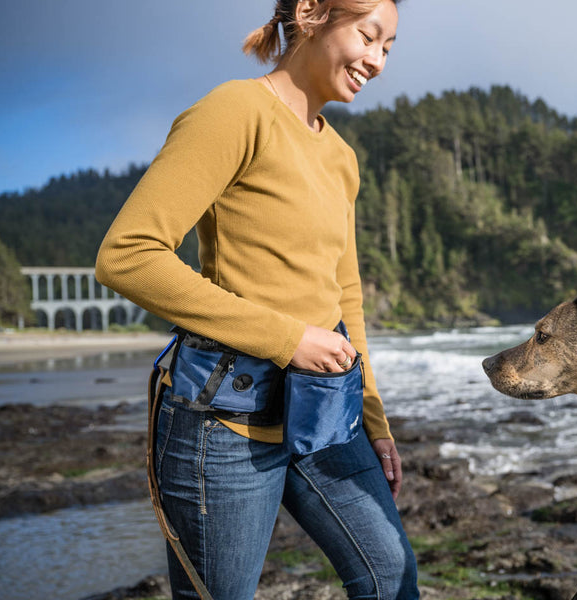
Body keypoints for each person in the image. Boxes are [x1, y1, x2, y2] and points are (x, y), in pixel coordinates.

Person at [95, 1, 418, 598]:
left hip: (327, 413)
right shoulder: (235, 111)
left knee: (391, 577)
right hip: (224, 421)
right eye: (369, 36)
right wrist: (289, 339)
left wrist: (373, 418)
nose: (376, 60)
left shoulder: (342, 157)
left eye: (389, 48)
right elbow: (128, 255)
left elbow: (345, 295)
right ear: (311, 12)